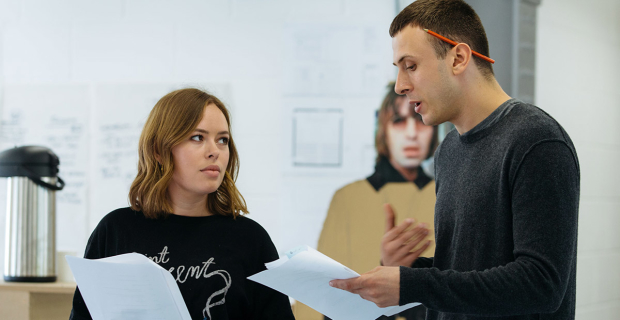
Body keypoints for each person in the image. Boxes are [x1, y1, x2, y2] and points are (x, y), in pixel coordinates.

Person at [329, 1, 580, 320]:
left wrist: (413, 284)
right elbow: (467, 273)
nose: (401, 85)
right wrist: (406, 268)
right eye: (398, 68)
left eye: (411, 66)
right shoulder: (447, 151)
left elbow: (541, 285)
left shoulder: (536, 140)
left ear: (458, 58)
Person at [69, 88, 295, 320]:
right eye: (198, 137)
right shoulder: (115, 230)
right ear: (159, 150)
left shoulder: (251, 239)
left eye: (222, 140)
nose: (214, 151)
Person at [293, 82, 438, 320]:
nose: (412, 133)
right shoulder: (348, 198)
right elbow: (320, 293)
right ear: (383, 129)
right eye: (399, 121)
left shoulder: (444, 195)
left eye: (419, 120)